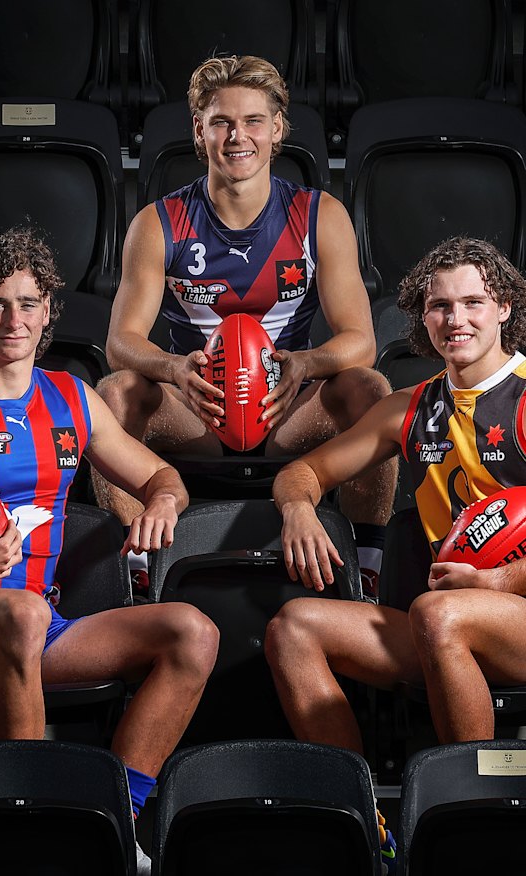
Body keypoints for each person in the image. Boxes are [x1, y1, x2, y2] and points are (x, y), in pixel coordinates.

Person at [0, 228, 220, 872]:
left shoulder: (69, 396)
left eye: (28, 303)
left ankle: (113, 821)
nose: (14, 319)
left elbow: (162, 477)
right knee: (21, 614)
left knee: (191, 632)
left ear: (48, 313)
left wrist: (160, 503)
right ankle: (29, 831)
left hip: (41, 621)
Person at [264, 236, 526, 874]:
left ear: (505, 309)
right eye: (439, 306)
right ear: (421, 316)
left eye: (473, 302)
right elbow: (301, 473)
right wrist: (298, 508)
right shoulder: (410, 408)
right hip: (451, 621)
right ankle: (370, 826)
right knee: (293, 627)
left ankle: (474, 823)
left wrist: (500, 582)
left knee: (440, 614)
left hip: (507, 610)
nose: (455, 319)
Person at [93, 54, 397, 601]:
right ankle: (132, 570)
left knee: (370, 389)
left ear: (277, 128)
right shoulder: (158, 224)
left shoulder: (317, 215)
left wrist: (305, 364)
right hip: (198, 410)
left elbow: (361, 340)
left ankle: (367, 563)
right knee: (113, 395)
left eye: (253, 121)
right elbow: (120, 342)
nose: (239, 137)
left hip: (288, 409)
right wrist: (172, 368)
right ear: (199, 130)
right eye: (222, 122)